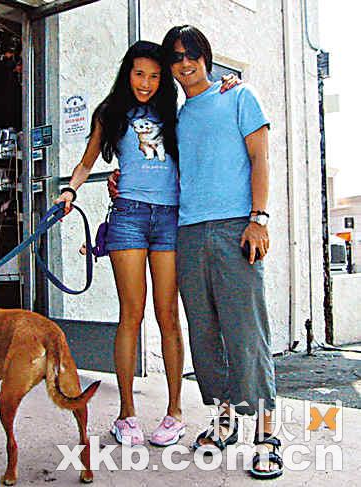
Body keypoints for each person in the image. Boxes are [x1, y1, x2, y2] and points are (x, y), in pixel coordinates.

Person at [110, 26, 282, 479]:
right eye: (176, 57)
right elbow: (159, 164)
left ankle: (266, 433)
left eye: (192, 54)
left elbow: (261, 158)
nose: (185, 63)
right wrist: (120, 178)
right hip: (185, 232)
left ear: (206, 56)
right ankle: (223, 420)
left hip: (235, 228)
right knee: (204, 334)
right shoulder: (178, 118)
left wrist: (259, 218)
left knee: (246, 332)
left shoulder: (239, 96)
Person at [55, 40, 239, 447]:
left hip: (170, 218)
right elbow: (86, 162)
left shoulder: (174, 113)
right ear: (127, 73)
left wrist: (230, 84)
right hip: (129, 218)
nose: (146, 83)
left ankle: (175, 412)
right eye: (139, 74)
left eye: (155, 76)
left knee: (168, 315)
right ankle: (126, 414)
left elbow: (208, 112)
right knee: (131, 315)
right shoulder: (110, 113)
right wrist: (70, 190)